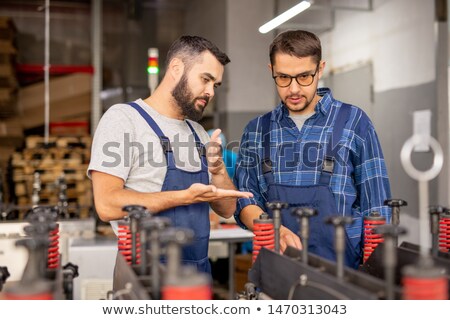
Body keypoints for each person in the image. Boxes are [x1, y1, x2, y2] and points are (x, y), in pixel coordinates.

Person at [88, 35, 252, 274]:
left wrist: (217, 171)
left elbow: (226, 209)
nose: (210, 92)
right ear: (176, 67)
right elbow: (106, 204)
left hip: (196, 274)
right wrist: (183, 197)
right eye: (205, 79)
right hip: (144, 276)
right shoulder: (124, 119)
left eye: (215, 85)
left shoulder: (199, 134)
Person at [233, 30, 391, 268]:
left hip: (345, 273)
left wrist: (376, 277)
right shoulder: (256, 130)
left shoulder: (354, 121)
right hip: (278, 271)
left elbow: (378, 207)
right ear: (271, 71)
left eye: (305, 76)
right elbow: (244, 201)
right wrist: (274, 231)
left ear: (320, 69)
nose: (294, 89)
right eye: (283, 78)